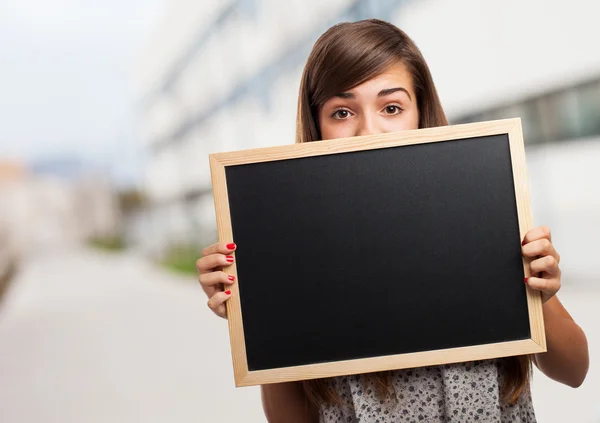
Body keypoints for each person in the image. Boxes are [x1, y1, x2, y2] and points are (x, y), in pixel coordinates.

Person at [196, 19, 589, 423]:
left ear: (420, 112)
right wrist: (258, 321)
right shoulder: (294, 253)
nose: (369, 130)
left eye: (392, 107)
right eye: (342, 111)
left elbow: (575, 371)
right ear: (318, 126)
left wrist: (538, 291)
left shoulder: (484, 216)